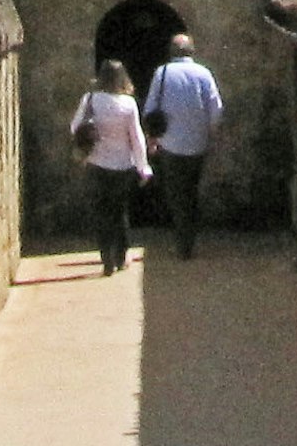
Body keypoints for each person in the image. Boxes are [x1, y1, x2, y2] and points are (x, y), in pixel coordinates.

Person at [140, 33, 227, 259]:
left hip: (170, 143)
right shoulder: (203, 73)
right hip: (198, 143)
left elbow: (150, 109)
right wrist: (210, 133)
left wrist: (152, 139)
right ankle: (189, 238)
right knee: (191, 190)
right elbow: (216, 108)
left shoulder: (162, 73)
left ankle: (183, 243)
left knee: (176, 193)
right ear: (191, 51)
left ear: (171, 52)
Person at [68, 59, 151, 276]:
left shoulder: (91, 99)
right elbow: (136, 138)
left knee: (102, 212)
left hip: (97, 162)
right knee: (119, 211)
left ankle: (106, 259)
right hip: (123, 165)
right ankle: (121, 256)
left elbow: (75, 127)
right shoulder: (128, 103)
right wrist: (143, 167)